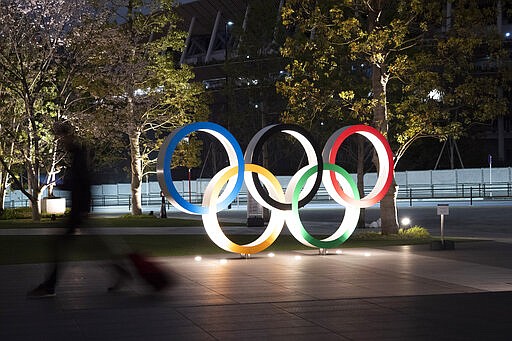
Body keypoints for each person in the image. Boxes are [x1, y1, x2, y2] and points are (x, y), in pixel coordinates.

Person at [27, 123, 129, 298]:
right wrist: (65, 186)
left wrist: (83, 206)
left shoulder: (79, 155)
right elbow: (81, 182)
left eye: (62, 137)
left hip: (78, 211)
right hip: (79, 210)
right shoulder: (77, 154)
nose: (61, 142)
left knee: (61, 245)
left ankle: (50, 286)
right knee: (93, 247)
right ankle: (120, 271)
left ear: (68, 136)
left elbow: (85, 181)